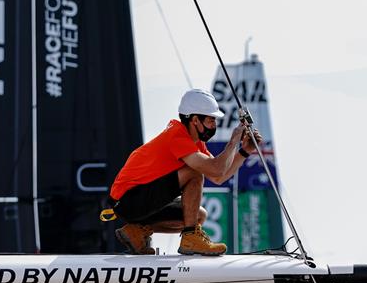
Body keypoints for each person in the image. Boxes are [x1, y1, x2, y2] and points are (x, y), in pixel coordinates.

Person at [105, 88, 262, 255]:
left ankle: (137, 231)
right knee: (193, 173)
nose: (214, 126)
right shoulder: (177, 136)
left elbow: (219, 177)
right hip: (127, 201)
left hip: (139, 200)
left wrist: (244, 151)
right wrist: (233, 141)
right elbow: (215, 169)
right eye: (211, 120)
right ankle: (190, 239)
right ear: (195, 120)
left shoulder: (194, 142)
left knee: (198, 216)